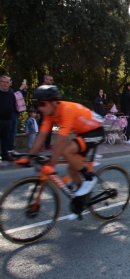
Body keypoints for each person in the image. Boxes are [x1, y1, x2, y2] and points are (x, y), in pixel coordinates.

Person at [16, 85, 105, 219]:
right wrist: (29, 156)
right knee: (71, 170)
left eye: (42, 104)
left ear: (53, 102)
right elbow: (41, 136)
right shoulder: (49, 114)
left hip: (96, 130)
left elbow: (60, 141)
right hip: (83, 133)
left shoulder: (66, 110)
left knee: (66, 151)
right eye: (37, 104)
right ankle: (82, 199)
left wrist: (51, 164)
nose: (39, 108)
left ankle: (89, 177)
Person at [0, 75, 16, 162]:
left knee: (5, 138)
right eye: (3, 82)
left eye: (7, 82)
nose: (5, 84)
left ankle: (5, 155)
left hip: (8, 120)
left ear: (10, 83)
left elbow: (12, 105)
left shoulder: (11, 93)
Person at [37, 74, 54, 150]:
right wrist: (37, 112)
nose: (52, 82)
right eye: (50, 80)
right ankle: (40, 145)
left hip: (50, 112)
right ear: (45, 80)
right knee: (41, 128)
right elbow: (36, 101)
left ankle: (48, 144)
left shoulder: (52, 89)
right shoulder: (40, 89)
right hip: (42, 111)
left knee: (50, 128)